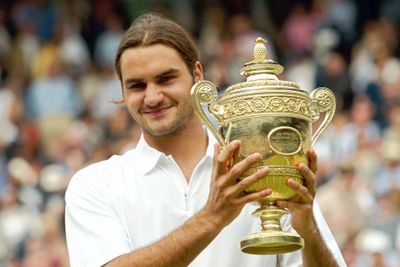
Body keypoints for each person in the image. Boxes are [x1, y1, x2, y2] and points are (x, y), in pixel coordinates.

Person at [65, 13, 346, 267]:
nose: (152, 97)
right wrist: (212, 217)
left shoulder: (261, 166)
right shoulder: (95, 185)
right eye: (137, 85)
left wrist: (307, 228)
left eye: (166, 79)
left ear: (197, 76)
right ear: (123, 92)